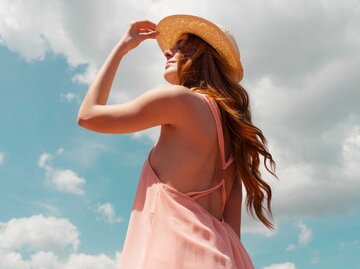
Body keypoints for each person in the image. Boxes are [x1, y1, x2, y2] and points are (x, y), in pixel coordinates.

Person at [77, 14, 277, 269]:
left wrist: (121, 48)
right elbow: (233, 230)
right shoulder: (235, 137)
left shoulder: (178, 101)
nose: (168, 52)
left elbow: (87, 116)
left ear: (204, 58)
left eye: (182, 47)